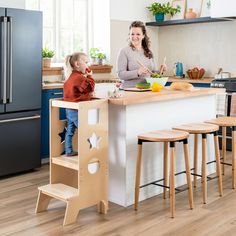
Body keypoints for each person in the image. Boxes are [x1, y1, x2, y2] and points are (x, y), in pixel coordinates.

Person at [116, 21, 166, 88]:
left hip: (148, 89)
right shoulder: (124, 51)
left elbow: (153, 73)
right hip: (131, 90)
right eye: (132, 34)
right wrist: (137, 72)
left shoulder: (149, 52)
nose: (134, 37)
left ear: (143, 36)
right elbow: (120, 74)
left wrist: (161, 70)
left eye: (138, 34)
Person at [63, 52, 95, 156]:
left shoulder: (71, 76)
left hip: (69, 109)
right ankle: (89, 152)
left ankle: (68, 151)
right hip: (77, 109)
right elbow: (90, 87)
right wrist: (90, 77)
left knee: (70, 131)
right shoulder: (79, 78)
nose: (87, 65)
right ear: (77, 64)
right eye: (86, 62)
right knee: (85, 130)